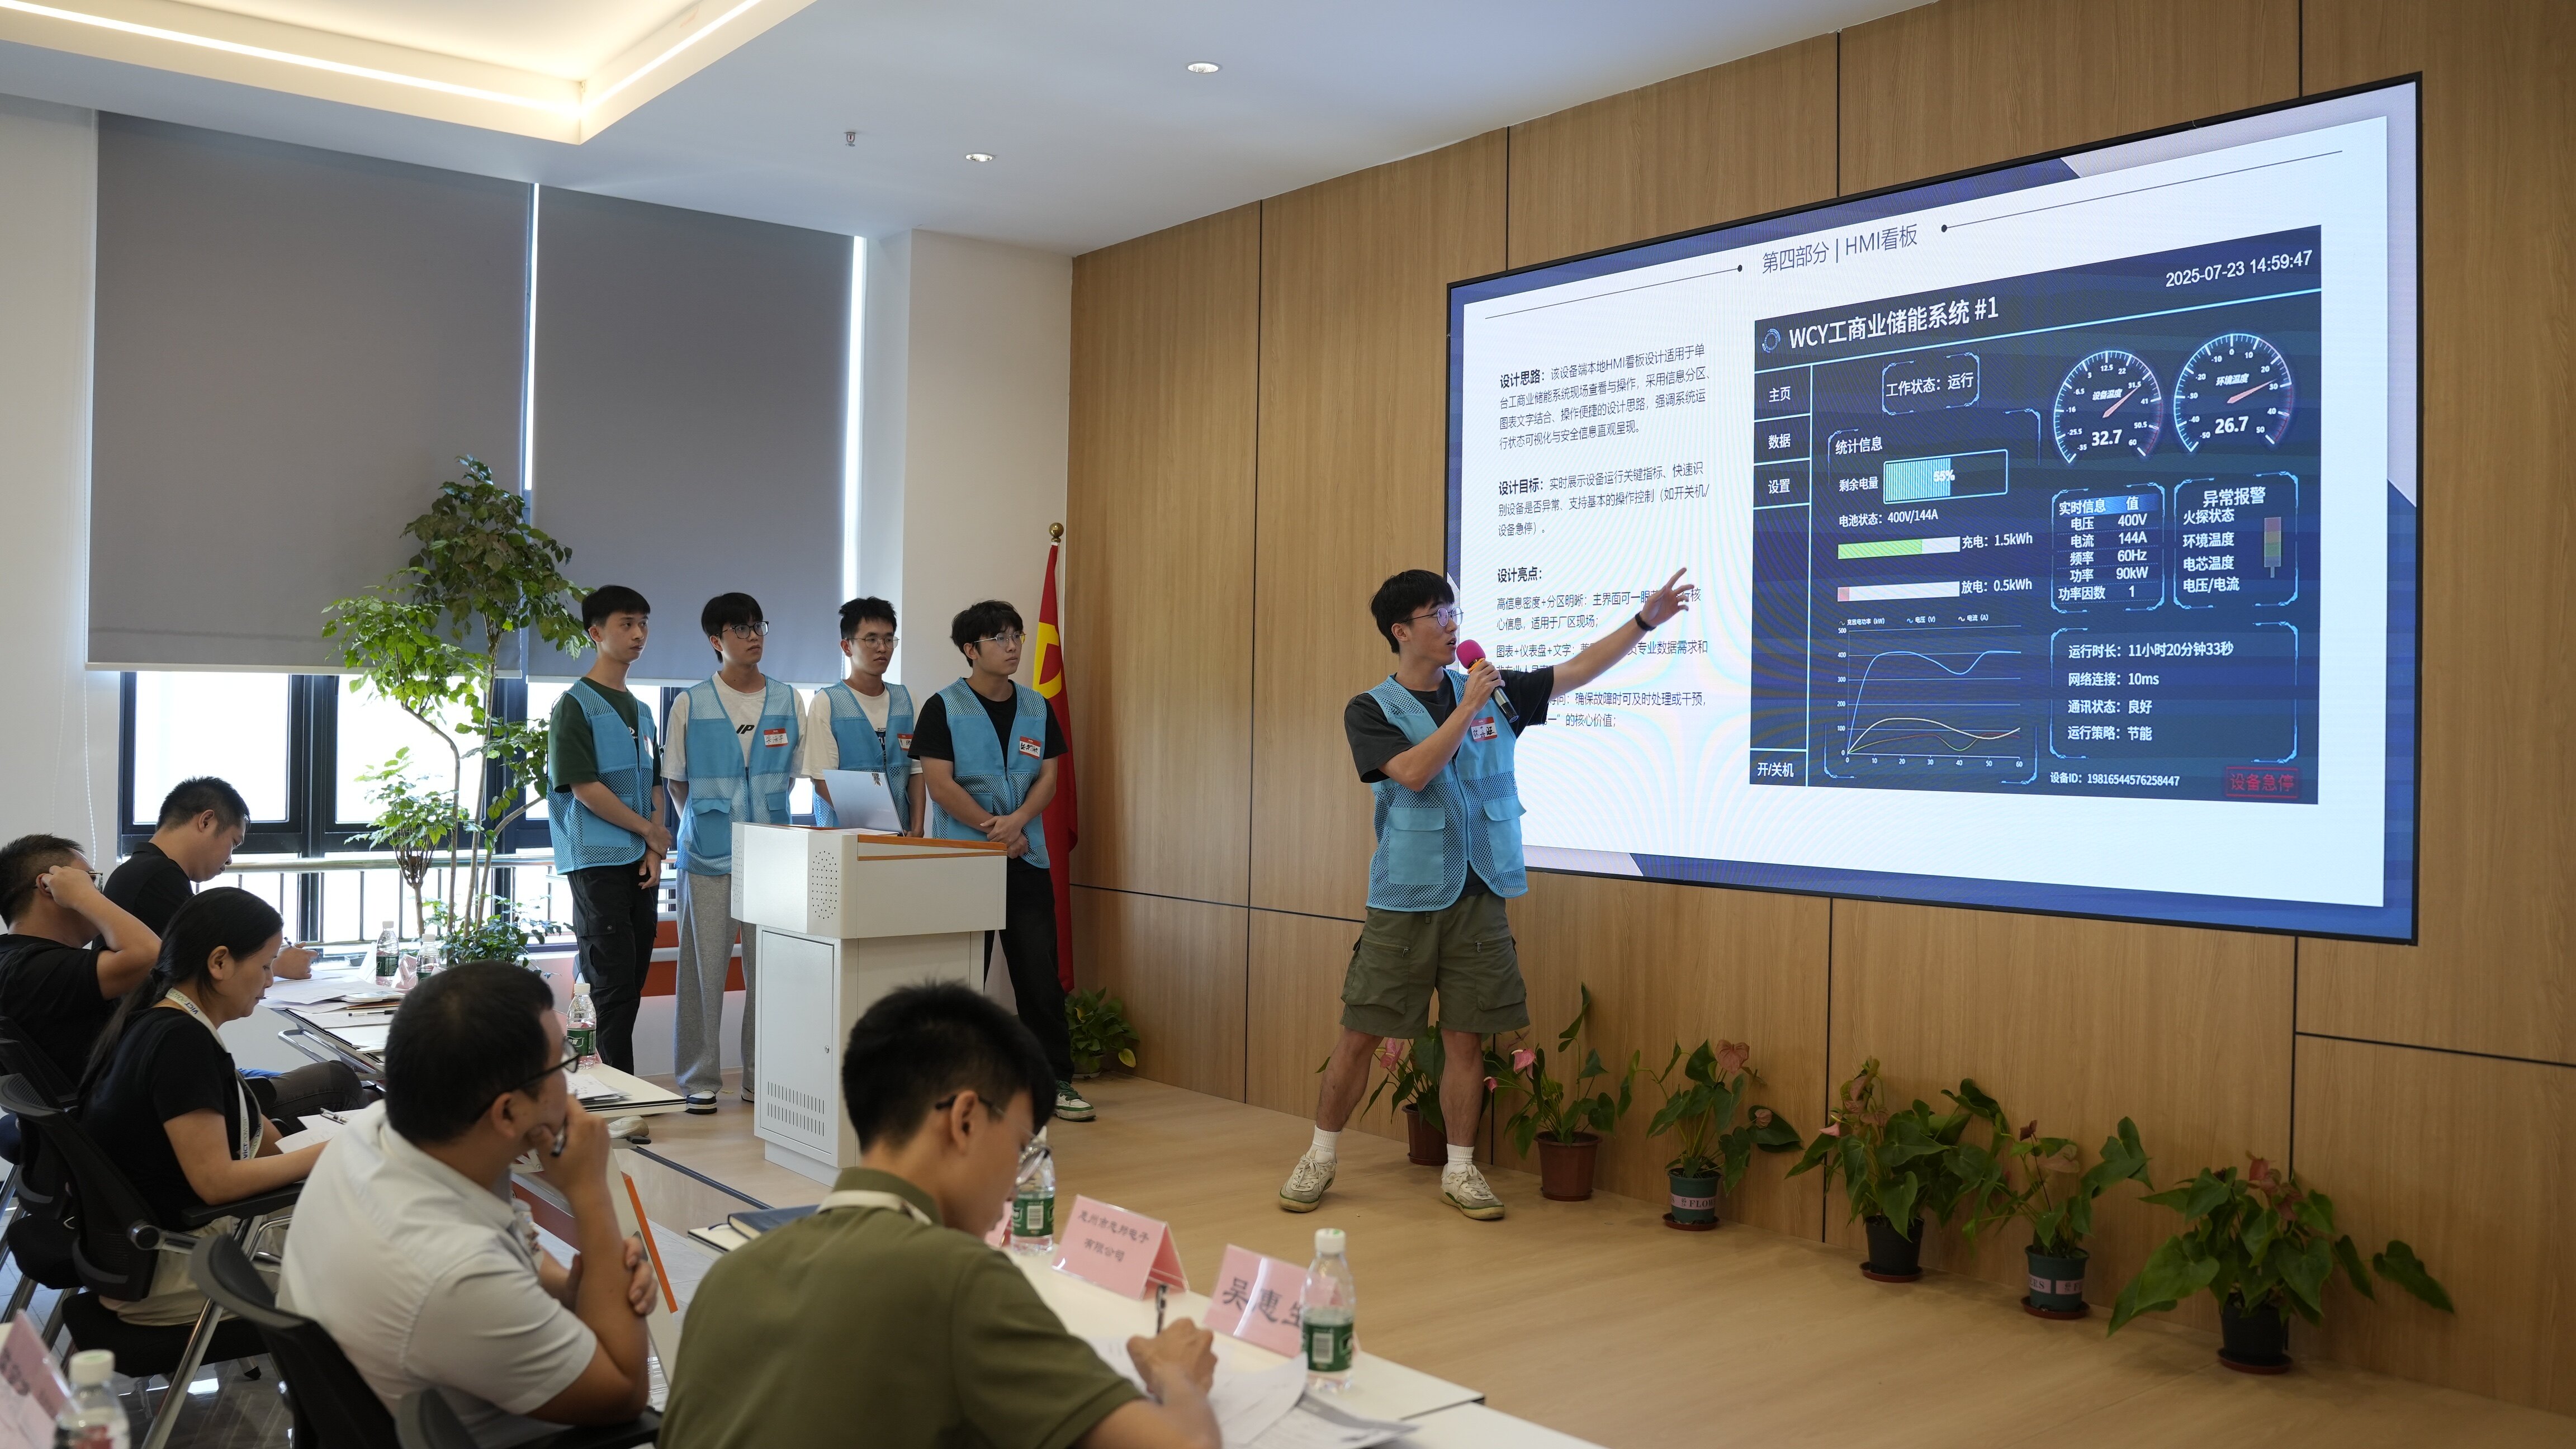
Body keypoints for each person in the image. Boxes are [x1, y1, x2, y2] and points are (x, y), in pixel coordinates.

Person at [1278, 567, 1694, 1221]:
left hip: (1481, 892)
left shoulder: (1493, 691)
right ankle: (1320, 1156)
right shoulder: (1372, 708)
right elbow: (1414, 772)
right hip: (1406, 898)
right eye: (1437, 615)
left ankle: (1461, 1168)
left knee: (1467, 1040)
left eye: (1454, 613)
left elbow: (1578, 670)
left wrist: (1644, 623)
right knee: (1360, 1034)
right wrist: (1467, 707)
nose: (1452, 626)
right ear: (1401, 631)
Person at [660, 983, 1218, 1449]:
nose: (1016, 1184)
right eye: (1021, 1146)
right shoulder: (956, 1275)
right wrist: (1175, 1373)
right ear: (966, 1119)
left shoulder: (729, 1278)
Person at [281, 963, 656, 1446]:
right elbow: (624, 1392)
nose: (570, 1087)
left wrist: (578, 1287)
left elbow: (508, 1256)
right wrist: (590, 1193)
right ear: (508, 1112)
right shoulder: (454, 1272)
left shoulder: (372, 1134)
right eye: (561, 1063)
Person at [79, 888, 325, 1324]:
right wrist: (333, 1153)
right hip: (175, 1270)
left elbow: (256, 1136)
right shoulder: (181, 1044)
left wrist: (317, 1148)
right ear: (219, 962)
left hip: (143, 1258)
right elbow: (216, 1183)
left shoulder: (158, 1021)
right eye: (265, 965)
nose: (270, 980)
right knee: (374, 1244)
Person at [912, 601, 1088, 1123]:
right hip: (965, 859)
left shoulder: (1037, 706)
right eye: (999, 638)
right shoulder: (943, 707)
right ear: (971, 650)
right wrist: (996, 829)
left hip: (1026, 858)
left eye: (1017, 636)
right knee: (963, 978)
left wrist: (1018, 824)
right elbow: (940, 785)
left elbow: (1049, 779)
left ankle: (1054, 1081)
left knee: (1039, 978)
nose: (1012, 647)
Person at [664, 593, 804, 1115]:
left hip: (773, 855)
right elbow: (676, 781)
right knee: (703, 972)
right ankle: (699, 1079)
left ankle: (761, 1076)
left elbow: (790, 778)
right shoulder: (691, 703)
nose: (754, 636)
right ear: (715, 641)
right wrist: (707, 826)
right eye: (741, 629)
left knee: (771, 973)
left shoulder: (788, 699)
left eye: (758, 626)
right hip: (707, 856)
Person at [547, 585, 670, 1081]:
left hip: (639, 861)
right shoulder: (575, 705)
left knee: (631, 984)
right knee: (609, 986)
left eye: (644, 623)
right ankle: (612, 1096)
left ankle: (609, 1089)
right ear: (596, 633)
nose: (639, 633)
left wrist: (653, 848)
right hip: (596, 860)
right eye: (627, 623)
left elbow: (654, 783)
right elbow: (584, 789)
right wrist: (648, 832)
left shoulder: (642, 711)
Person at [104, 776, 315, 978]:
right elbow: (197, 968)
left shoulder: (140, 870)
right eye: (234, 843)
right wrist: (272, 964)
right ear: (206, 822)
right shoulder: (160, 879)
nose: (230, 860)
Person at [0, 834, 160, 1092]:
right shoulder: (34, 968)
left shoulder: (15, 959)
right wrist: (86, 897)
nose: (96, 892)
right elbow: (150, 955)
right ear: (48, 886)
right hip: (96, 1115)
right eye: (89, 880)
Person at [806, 596, 923, 835]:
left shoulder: (907, 700)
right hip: (845, 837)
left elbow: (917, 771)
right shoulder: (827, 703)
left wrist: (918, 828)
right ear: (847, 647)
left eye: (889, 639)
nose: (882, 648)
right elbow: (822, 781)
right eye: (871, 639)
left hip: (902, 838)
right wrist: (878, 828)